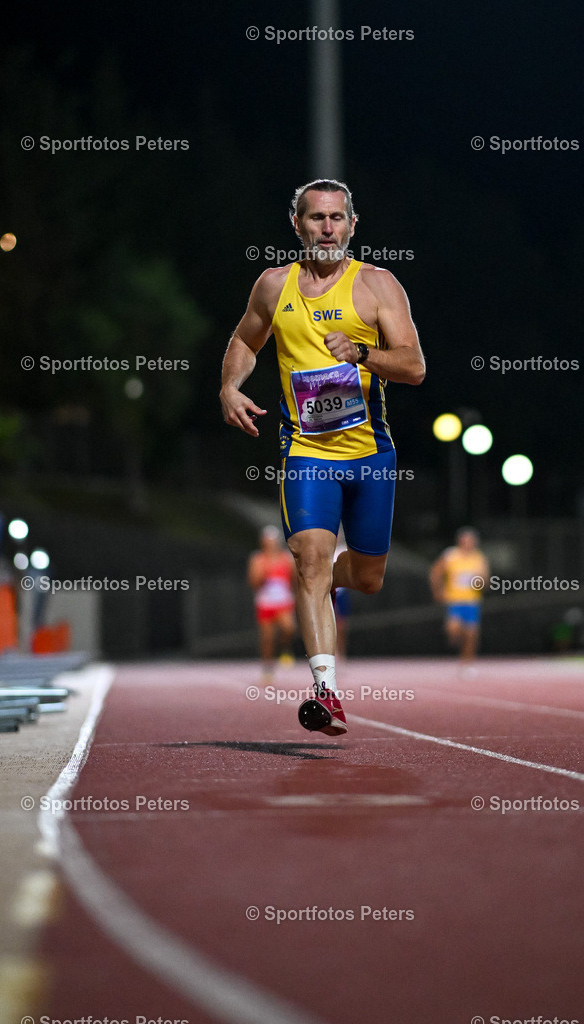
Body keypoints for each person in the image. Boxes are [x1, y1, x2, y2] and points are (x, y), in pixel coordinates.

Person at [221, 179, 425, 735]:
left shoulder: (378, 286)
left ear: (353, 225)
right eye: (316, 219)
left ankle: (328, 580)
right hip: (305, 450)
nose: (327, 229)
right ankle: (326, 692)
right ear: (298, 224)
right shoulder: (272, 286)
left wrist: (361, 352)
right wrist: (230, 387)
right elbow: (245, 341)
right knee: (309, 558)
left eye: (337, 218)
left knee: (368, 578)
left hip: (369, 454)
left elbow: (414, 367)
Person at [430, 527, 489, 662]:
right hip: (455, 600)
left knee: (472, 634)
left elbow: (485, 582)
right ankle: (457, 639)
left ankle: (466, 663)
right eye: (465, 541)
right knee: (453, 629)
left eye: (471, 541)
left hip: (472, 601)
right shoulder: (451, 555)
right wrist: (438, 591)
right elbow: (435, 573)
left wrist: (481, 581)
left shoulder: (479, 558)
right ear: (460, 541)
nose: (468, 544)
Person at [247, 525, 296, 683]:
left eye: (273, 541)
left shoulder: (286, 558)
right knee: (267, 638)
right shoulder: (257, 559)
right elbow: (253, 582)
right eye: (268, 541)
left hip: (283, 602)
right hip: (265, 603)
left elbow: (294, 579)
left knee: (288, 628)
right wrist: (264, 572)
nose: (271, 543)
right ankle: (268, 669)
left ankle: (284, 649)